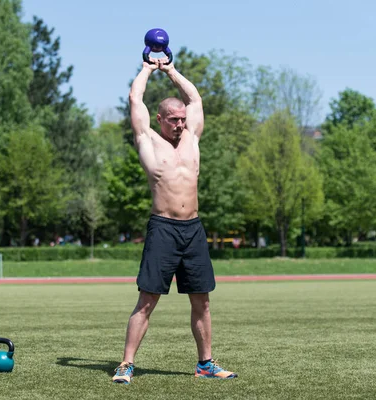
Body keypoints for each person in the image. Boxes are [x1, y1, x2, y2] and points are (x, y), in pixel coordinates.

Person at [112, 56, 237, 384]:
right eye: (173, 120)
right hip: (164, 228)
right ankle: (126, 364)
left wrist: (169, 70)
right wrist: (147, 69)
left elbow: (195, 98)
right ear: (160, 119)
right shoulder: (148, 141)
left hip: (193, 229)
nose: (180, 124)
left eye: (182, 119)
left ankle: (206, 363)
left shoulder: (192, 138)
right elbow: (134, 99)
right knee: (147, 300)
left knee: (203, 301)